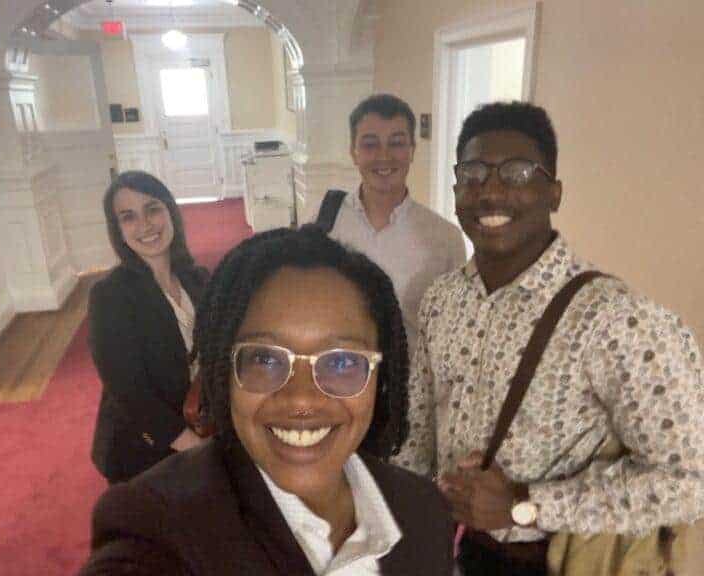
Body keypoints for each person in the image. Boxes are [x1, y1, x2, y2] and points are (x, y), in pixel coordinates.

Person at [393, 102, 704, 575]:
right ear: (456, 190)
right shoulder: (442, 300)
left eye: (517, 173)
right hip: (449, 548)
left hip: (553, 561)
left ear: (553, 193)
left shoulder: (618, 319)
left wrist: (525, 504)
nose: (490, 190)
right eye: (473, 173)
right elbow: (418, 435)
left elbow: (689, 482)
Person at [79, 226, 455, 575]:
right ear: (224, 372)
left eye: (342, 362)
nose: (301, 399)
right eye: (264, 358)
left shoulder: (424, 510)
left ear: (380, 378)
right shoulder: (155, 523)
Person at [308, 93, 466, 352]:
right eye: (370, 144)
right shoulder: (323, 220)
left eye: (396, 143)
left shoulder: (445, 239)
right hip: (337, 369)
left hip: (408, 373)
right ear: (354, 153)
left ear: (412, 150)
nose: (384, 156)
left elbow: (451, 330)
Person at [89, 170, 209, 484]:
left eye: (152, 209)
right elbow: (129, 392)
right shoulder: (110, 296)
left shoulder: (198, 279)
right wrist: (196, 448)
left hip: (202, 422)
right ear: (118, 230)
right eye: (128, 217)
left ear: (170, 212)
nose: (145, 225)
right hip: (145, 447)